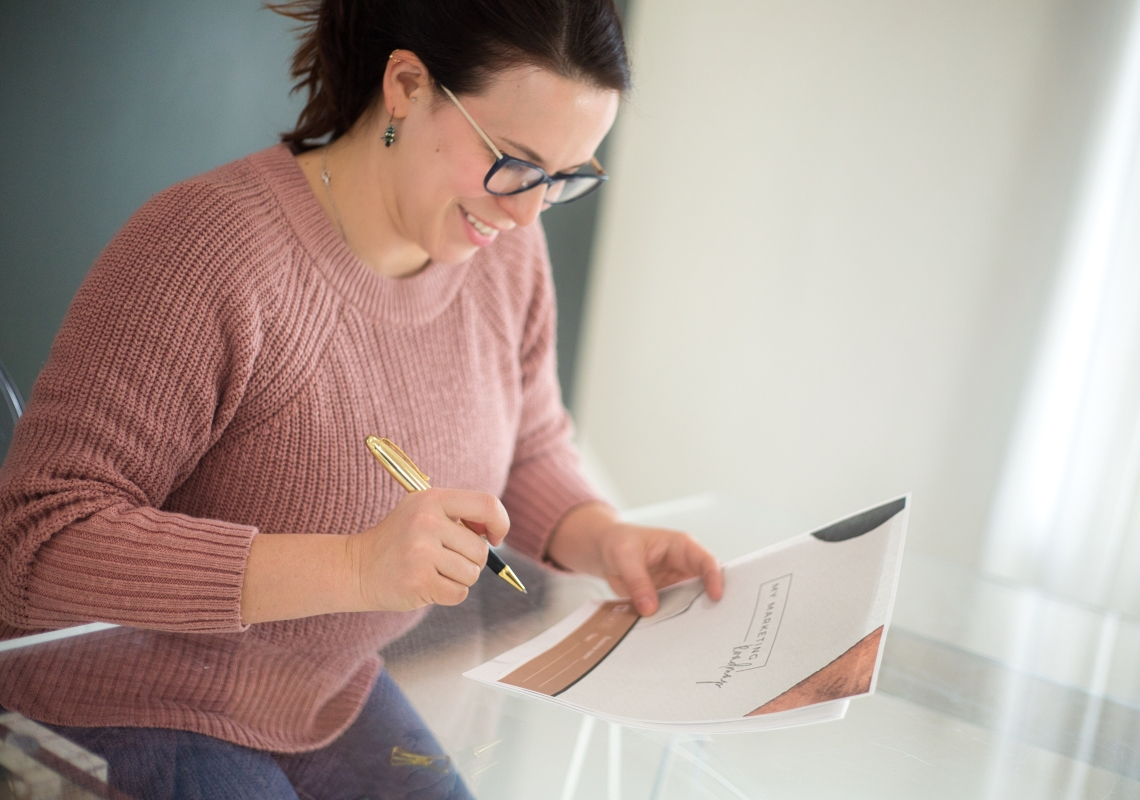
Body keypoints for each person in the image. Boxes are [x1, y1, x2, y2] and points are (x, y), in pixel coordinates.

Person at [0, 0, 723, 797]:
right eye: (513, 163)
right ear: (408, 86)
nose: (526, 213)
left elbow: (531, 443)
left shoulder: (505, 260)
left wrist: (603, 537)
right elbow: (35, 539)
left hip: (321, 690)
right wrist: (353, 566)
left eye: (563, 179)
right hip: (127, 700)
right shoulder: (207, 252)